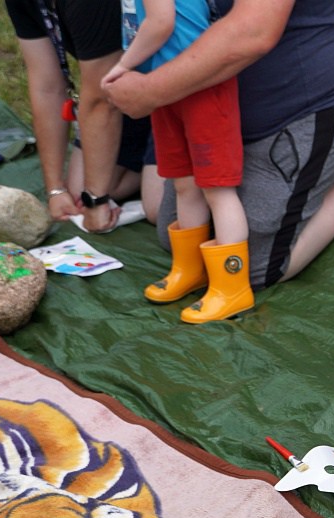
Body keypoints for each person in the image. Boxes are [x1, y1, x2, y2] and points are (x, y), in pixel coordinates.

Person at [102, 0, 334, 294]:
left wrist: (150, 90)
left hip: (301, 111)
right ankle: (311, 181)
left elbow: (254, 31)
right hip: (216, 111)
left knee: (252, 268)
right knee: (183, 235)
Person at [103, 0, 249, 323]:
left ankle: (232, 285)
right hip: (166, 87)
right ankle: (189, 269)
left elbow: (160, 23)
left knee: (218, 189)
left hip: (200, 85)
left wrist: (121, 67)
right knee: (184, 182)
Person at [4, 0, 156, 232]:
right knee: (78, 190)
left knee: (157, 208)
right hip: (129, 92)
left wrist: (97, 200)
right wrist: (55, 189)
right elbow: (46, 86)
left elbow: (101, 100)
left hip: (177, 90)